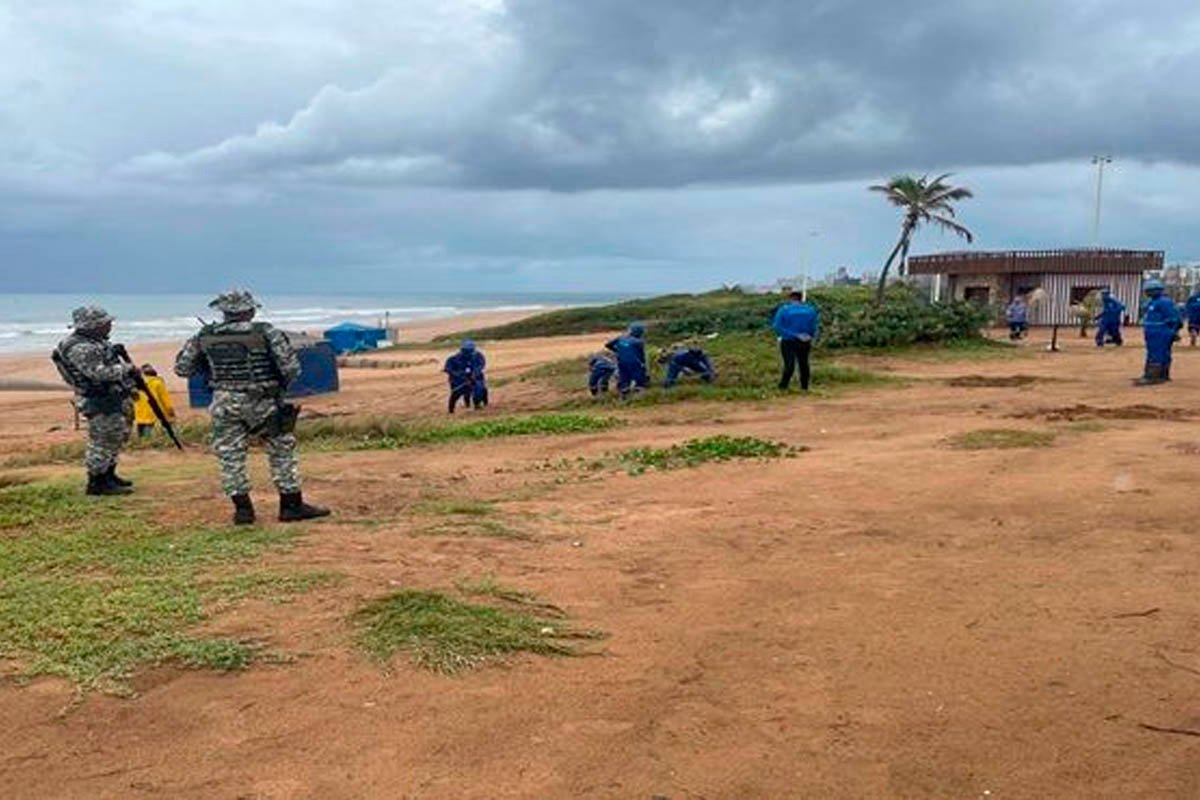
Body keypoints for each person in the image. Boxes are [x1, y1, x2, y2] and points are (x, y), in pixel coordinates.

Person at [174, 289, 330, 525]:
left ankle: (243, 511)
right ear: (249, 310)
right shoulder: (266, 332)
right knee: (281, 451)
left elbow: (183, 369)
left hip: (224, 402)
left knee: (230, 456)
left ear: (224, 311)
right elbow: (291, 369)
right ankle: (291, 506)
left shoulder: (203, 336)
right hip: (264, 400)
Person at [52, 306, 139, 496]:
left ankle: (108, 475)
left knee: (115, 438)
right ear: (91, 325)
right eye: (105, 322)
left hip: (111, 398)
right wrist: (126, 369)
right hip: (99, 400)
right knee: (101, 442)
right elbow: (98, 373)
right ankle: (97, 482)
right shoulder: (80, 347)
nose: (109, 325)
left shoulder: (95, 342)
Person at [1136, 278, 1182, 385]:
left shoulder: (1164, 302)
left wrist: (1173, 331)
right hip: (1153, 332)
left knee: (1157, 353)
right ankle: (1159, 375)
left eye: (1148, 291)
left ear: (1156, 290)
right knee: (1155, 352)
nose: (1146, 293)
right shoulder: (1153, 302)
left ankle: (1153, 376)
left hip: (1160, 332)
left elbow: (1173, 318)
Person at [772, 291, 819, 391]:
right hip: (805, 341)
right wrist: (809, 335)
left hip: (788, 341)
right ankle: (804, 388)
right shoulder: (810, 310)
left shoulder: (784, 310)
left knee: (789, 365)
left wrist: (794, 335)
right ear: (801, 299)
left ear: (790, 299)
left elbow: (777, 326)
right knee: (804, 364)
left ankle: (783, 387)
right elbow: (813, 326)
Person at [605, 323, 650, 398]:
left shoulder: (620, 338)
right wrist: (644, 366)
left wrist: (618, 350)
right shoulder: (639, 342)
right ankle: (639, 396)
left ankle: (624, 397)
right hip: (635, 363)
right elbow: (641, 356)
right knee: (640, 379)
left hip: (621, 363)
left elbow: (607, 345)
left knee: (624, 379)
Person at [133, 364, 176, 437]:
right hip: (153, 414)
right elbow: (165, 400)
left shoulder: (135, 384)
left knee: (141, 437)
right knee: (149, 438)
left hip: (139, 414)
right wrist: (170, 412)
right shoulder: (158, 383)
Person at [444, 340, 486, 413]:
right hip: (458, 381)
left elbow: (480, 366)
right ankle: (451, 410)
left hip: (475, 379)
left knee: (480, 389)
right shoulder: (453, 359)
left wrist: (474, 375)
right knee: (456, 394)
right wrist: (461, 376)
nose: (469, 353)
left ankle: (478, 405)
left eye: (470, 351)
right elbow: (449, 369)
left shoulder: (478, 356)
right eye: (467, 351)